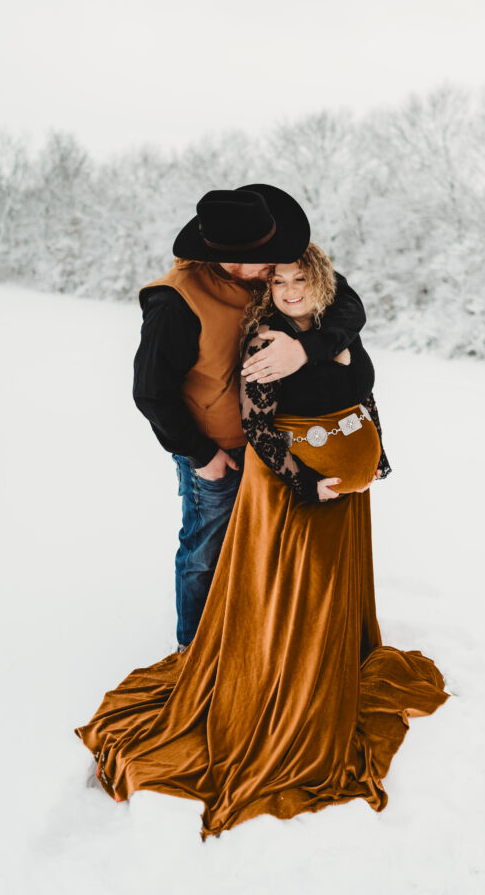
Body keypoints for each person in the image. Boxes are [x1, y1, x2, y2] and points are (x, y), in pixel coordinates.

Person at [76, 243, 449, 838]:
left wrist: (371, 453)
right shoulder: (228, 321)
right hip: (271, 479)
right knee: (228, 562)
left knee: (324, 584)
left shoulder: (326, 318)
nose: (286, 286)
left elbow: (360, 386)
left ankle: (322, 652)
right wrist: (293, 480)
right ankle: (213, 655)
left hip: (344, 497)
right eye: (277, 279)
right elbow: (251, 421)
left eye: (298, 277)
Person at [132, 184, 366, 650]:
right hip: (220, 455)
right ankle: (193, 651)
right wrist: (201, 456)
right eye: (269, 261)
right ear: (234, 257)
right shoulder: (175, 302)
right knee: (206, 553)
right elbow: (150, 392)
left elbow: (348, 304)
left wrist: (305, 349)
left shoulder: (274, 274)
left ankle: (251, 646)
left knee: (263, 554)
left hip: (276, 449)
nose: (280, 268)